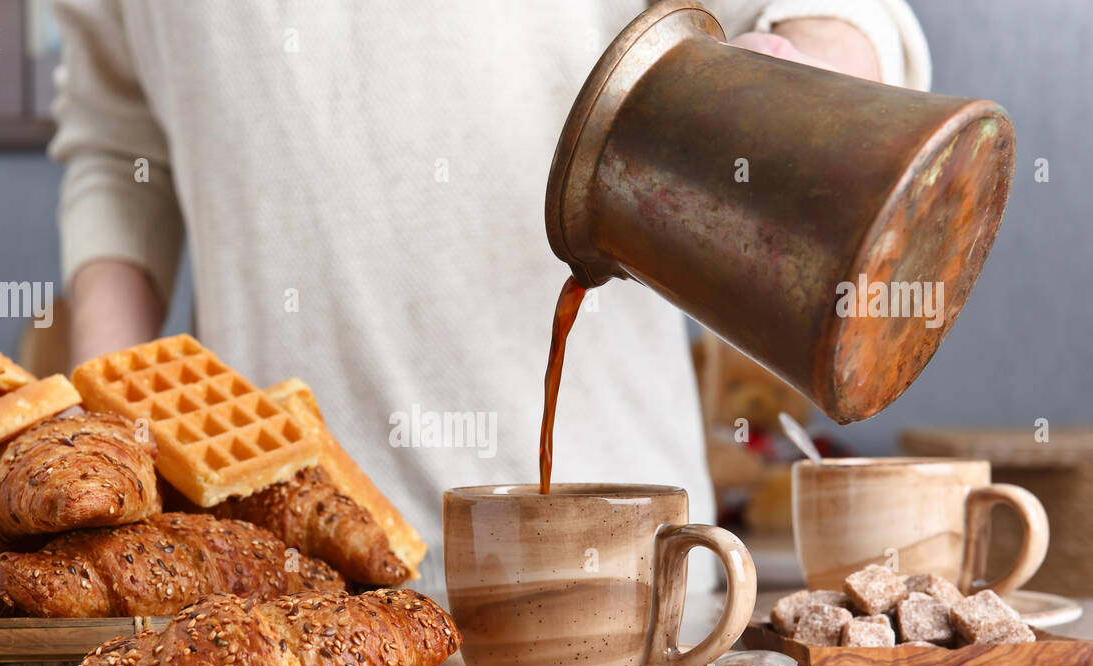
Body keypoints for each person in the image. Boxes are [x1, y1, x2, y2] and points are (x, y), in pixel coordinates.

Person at [48, 0, 930, 596]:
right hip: (257, 589)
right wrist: (103, 416)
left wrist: (796, 80)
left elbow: (850, 16)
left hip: (623, 582)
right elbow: (121, 149)